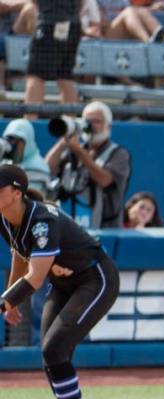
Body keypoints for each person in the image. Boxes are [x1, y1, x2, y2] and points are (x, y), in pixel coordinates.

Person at [0, 165, 120, 399]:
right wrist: (10, 298)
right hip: (65, 284)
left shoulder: (42, 220)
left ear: (16, 193)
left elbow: (37, 277)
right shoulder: (6, 218)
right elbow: (19, 252)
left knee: (55, 348)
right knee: (52, 354)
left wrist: (4, 300)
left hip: (95, 279)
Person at [45, 101, 132, 229]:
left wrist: (79, 152)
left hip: (104, 229)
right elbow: (47, 169)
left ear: (109, 126)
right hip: (71, 228)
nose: (91, 126)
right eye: (87, 121)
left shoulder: (119, 154)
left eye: (97, 121)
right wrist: (63, 142)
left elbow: (104, 180)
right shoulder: (73, 150)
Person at [23, 0, 81, 106]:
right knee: (65, 75)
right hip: (73, 24)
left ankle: (30, 121)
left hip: (50, 22)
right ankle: (69, 121)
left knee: (36, 75)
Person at [2, 119, 51, 196]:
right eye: (10, 139)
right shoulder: (4, 163)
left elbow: (27, 199)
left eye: (18, 140)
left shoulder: (38, 167)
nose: (13, 145)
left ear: (28, 141)